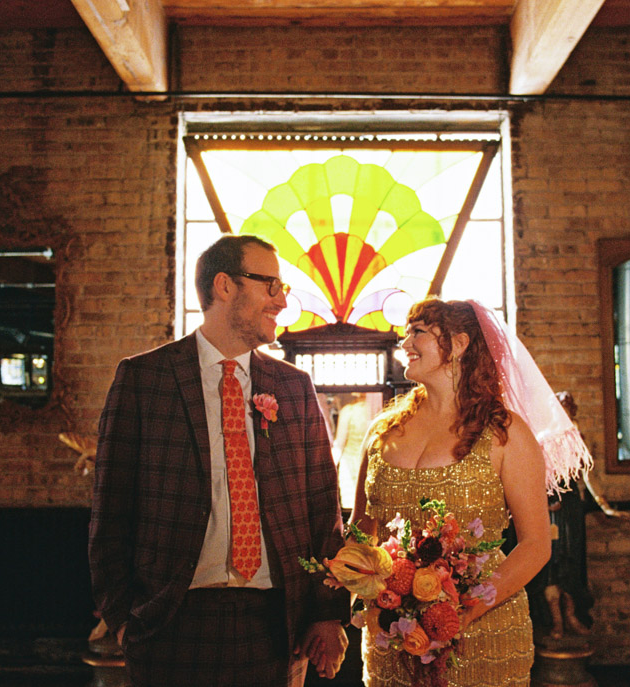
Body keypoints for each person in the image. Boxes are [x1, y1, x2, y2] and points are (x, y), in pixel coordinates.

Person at [89, 234, 350, 687]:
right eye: (271, 285)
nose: (282, 301)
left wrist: (328, 614)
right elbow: (110, 512)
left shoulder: (293, 388)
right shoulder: (144, 379)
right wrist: (126, 621)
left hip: (276, 623)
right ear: (225, 286)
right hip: (172, 621)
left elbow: (322, 512)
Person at [349, 298, 593, 687]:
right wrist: (365, 588)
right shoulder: (381, 432)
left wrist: (465, 608)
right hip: (395, 635)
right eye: (405, 333)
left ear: (460, 344)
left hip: (483, 633)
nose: (404, 343)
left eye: (418, 332)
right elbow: (361, 532)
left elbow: (534, 545)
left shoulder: (505, 434)